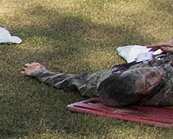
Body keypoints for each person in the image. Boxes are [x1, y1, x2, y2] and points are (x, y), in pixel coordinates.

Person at [23, 46, 173, 108]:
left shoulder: (104, 81)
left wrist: (38, 72)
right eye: (148, 82)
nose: (151, 72)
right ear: (144, 96)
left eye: (139, 71)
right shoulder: (169, 89)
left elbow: (71, 81)